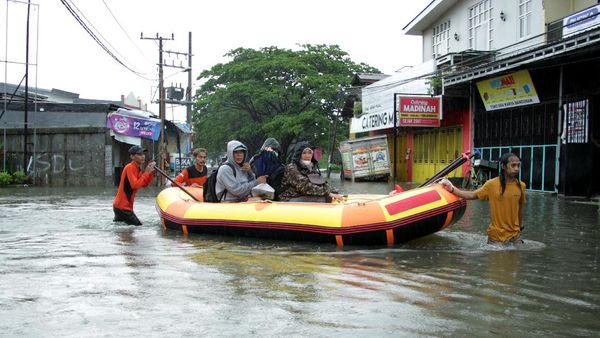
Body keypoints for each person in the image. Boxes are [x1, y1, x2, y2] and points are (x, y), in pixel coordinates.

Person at [440, 152, 527, 245]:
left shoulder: (521, 186)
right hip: (496, 236)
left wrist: (520, 226)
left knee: (517, 257)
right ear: (503, 166)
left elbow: (520, 208)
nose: (517, 168)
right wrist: (452, 189)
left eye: (518, 165)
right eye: (513, 165)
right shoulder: (492, 184)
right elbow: (472, 195)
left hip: (515, 235)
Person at [113, 145, 156, 225]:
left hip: (122, 206)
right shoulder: (129, 167)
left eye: (143, 154)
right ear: (132, 156)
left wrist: (150, 173)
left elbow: (144, 184)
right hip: (123, 207)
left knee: (121, 230)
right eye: (139, 154)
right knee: (139, 227)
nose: (143, 156)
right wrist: (146, 173)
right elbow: (135, 185)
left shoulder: (137, 169)